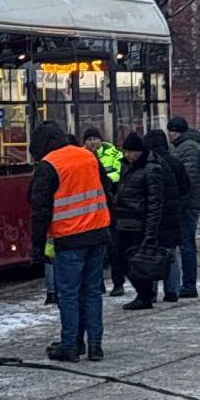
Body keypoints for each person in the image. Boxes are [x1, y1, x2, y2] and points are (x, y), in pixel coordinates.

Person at [29, 120, 111, 362]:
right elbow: (107, 190)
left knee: (68, 295)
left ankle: (70, 346)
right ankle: (95, 346)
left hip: (70, 238)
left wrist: (37, 245)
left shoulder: (49, 165)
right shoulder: (88, 157)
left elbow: (40, 210)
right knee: (92, 292)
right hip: (98, 234)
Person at [114, 132, 164, 311]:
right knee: (122, 260)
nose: (127, 155)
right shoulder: (126, 166)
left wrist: (150, 232)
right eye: (125, 151)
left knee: (138, 262)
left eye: (130, 152)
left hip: (139, 224)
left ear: (139, 152)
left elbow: (155, 202)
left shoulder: (151, 169)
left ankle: (144, 295)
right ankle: (143, 294)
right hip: (123, 221)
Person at [145, 128, 190, 303]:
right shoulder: (175, 162)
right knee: (170, 252)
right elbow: (186, 187)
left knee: (152, 253)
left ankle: (151, 291)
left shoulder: (149, 164)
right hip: (173, 214)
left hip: (154, 215)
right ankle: (172, 290)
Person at [83, 125, 126, 297]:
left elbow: (119, 173)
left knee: (114, 249)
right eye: (89, 139)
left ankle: (118, 284)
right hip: (90, 211)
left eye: (95, 138)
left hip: (110, 208)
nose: (93, 142)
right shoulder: (81, 156)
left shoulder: (114, 154)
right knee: (95, 252)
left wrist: (104, 180)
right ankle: (98, 284)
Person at [166, 116, 200, 298]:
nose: (170, 134)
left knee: (187, 244)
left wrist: (179, 204)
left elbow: (188, 179)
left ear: (180, 131)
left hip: (188, 204)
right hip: (186, 203)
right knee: (185, 244)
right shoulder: (181, 146)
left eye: (173, 131)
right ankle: (187, 284)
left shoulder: (188, 147)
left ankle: (189, 285)